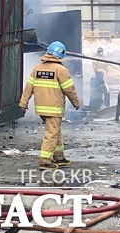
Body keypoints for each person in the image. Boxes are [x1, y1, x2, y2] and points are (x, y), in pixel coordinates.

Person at [19, 41, 81, 170]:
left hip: (41, 108)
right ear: (60, 54)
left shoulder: (37, 68)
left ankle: (59, 157)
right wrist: (76, 102)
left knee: (55, 131)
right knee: (51, 134)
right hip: (54, 108)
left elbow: (28, 87)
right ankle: (45, 161)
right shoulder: (61, 70)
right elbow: (69, 89)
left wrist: (23, 103)